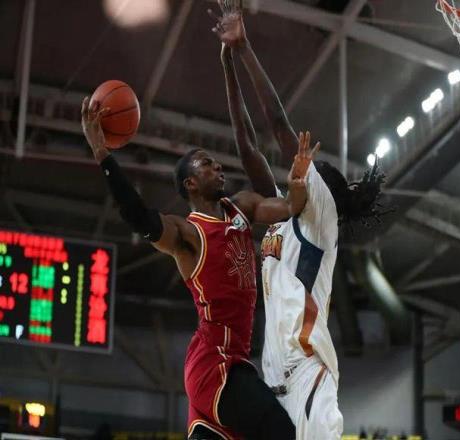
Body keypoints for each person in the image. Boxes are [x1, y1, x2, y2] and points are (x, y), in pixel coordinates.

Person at [81, 98, 316, 439]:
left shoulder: (243, 206)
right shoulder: (188, 234)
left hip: (233, 363)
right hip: (215, 366)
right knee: (283, 433)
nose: (218, 166)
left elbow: (291, 207)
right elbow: (138, 216)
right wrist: (102, 153)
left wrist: (299, 183)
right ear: (190, 183)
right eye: (207, 164)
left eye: (217, 163)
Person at [210, 1, 387, 438]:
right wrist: (227, 63)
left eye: (310, 170)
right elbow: (247, 147)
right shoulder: (282, 214)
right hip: (276, 386)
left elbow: (276, 122)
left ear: (323, 190)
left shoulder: (320, 217)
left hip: (308, 376)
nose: (299, 168)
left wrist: (245, 47)